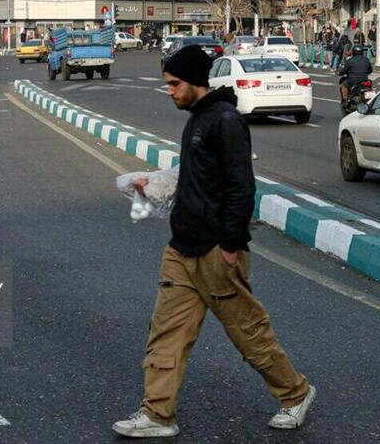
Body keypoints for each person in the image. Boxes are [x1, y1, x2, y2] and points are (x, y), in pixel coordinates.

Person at [113, 45, 314, 438]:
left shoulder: (225, 120)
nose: (169, 91)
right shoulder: (197, 118)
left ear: (194, 82)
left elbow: (242, 186)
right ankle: (157, 415)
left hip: (215, 251)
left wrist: (230, 244)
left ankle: (296, 394)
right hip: (181, 248)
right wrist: (153, 183)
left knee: (247, 332)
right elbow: (197, 175)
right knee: (166, 333)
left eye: (174, 84)